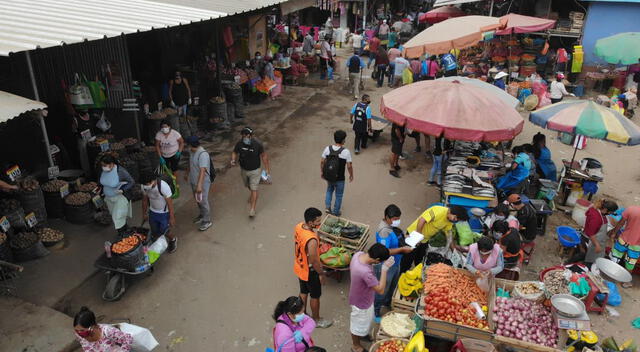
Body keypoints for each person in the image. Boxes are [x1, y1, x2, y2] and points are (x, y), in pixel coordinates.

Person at [349, 243, 393, 352]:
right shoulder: (365, 272)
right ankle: (356, 346)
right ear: (377, 259)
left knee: (363, 322)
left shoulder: (358, 254)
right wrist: (384, 269)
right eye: (380, 261)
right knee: (357, 324)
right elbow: (381, 290)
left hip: (359, 295)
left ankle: (361, 335)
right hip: (361, 302)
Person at [293, 207, 332, 328]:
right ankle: (316, 320)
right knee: (315, 296)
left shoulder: (299, 226)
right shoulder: (312, 240)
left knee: (303, 292)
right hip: (310, 271)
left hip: (300, 267)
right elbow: (314, 260)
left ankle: (301, 315)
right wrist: (321, 273)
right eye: (317, 222)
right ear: (310, 223)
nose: (319, 224)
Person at [401, 205, 469, 272]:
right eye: (455, 218)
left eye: (457, 220)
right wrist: (417, 237)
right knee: (407, 260)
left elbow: (449, 234)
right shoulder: (438, 211)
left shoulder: (449, 221)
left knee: (419, 260)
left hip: (425, 240)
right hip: (414, 235)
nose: (455, 220)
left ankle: (416, 275)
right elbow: (422, 220)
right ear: (450, 211)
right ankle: (401, 276)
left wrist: (454, 250)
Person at [374, 205, 412, 320]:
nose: (397, 221)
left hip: (396, 262)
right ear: (387, 217)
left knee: (392, 285)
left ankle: (386, 302)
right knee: (383, 288)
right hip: (387, 265)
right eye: (395, 219)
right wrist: (401, 250)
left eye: (398, 218)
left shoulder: (390, 227)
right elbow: (383, 252)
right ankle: (376, 311)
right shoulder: (383, 231)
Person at [231, 127, 270, 217]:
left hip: (255, 171)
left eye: (246, 135)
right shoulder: (239, 144)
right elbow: (234, 152)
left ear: (250, 136)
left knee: (254, 188)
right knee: (248, 186)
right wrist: (233, 159)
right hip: (244, 170)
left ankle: (252, 209)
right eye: (243, 135)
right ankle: (252, 193)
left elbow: (264, 156)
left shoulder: (257, 144)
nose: (244, 137)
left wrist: (267, 169)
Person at [140, 172, 177, 253]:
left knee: (165, 230)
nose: (147, 185)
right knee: (154, 230)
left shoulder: (163, 186)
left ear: (154, 180)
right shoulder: (144, 186)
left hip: (164, 213)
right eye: (145, 184)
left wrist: (171, 217)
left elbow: (170, 203)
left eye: (148, 183)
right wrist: (144, 213)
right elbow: (145, 201)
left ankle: (172, 240)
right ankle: (158, 242)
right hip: (153, 211)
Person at [321, 130, 353, 216]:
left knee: (329, 190)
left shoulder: (328, 149)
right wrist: (351, 175)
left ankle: (328, 207)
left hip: (330, 176)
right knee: (339, 195)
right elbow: (349, 166)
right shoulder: (346, 152)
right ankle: (336, 212)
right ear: (343, 140)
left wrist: (322, 172)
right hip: (340, 178)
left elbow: (322, 162)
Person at [99, 155, 134, 234]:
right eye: (102, 165)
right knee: (115, 216)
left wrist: (123, 190)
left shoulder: (120, 171)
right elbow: (103, 182)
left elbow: (131, 182)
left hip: (120, 197)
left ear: (111, 164)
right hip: (108, 197)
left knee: (117, 216)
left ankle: (122, 233)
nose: (103, 167)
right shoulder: (104, 171)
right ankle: (125, 229)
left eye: (105, 165)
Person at [185, 136, 212, 231]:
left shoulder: (203, 154)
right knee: (198, 200)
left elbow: (202, 171)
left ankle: (207, 220)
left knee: (203, 200)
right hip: (194, 180)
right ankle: (202, 214)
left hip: (202, 182)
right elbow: (190, 163)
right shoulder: (192, 152)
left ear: (191, 145)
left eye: (187, 145)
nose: (186, 147)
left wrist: (199, 185)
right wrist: (186, 173)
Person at [609, 205, 640, 287]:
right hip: (636, 245)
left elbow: (621, 223)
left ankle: (610, 275)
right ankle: (626, 282)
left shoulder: (631, 209)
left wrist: (614, 233)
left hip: (623, 239)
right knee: (630, 262)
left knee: (615, 256)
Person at [582, 199, 619, 266]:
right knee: (590, 260)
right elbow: (591, 234)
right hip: (592, 241)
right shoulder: (596, 218)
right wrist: (597, 245)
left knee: (597, 258)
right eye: (611, 212)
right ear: (605, 209)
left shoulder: (598, 211)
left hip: (599, 240)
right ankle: (587, 265)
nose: (611, 214)